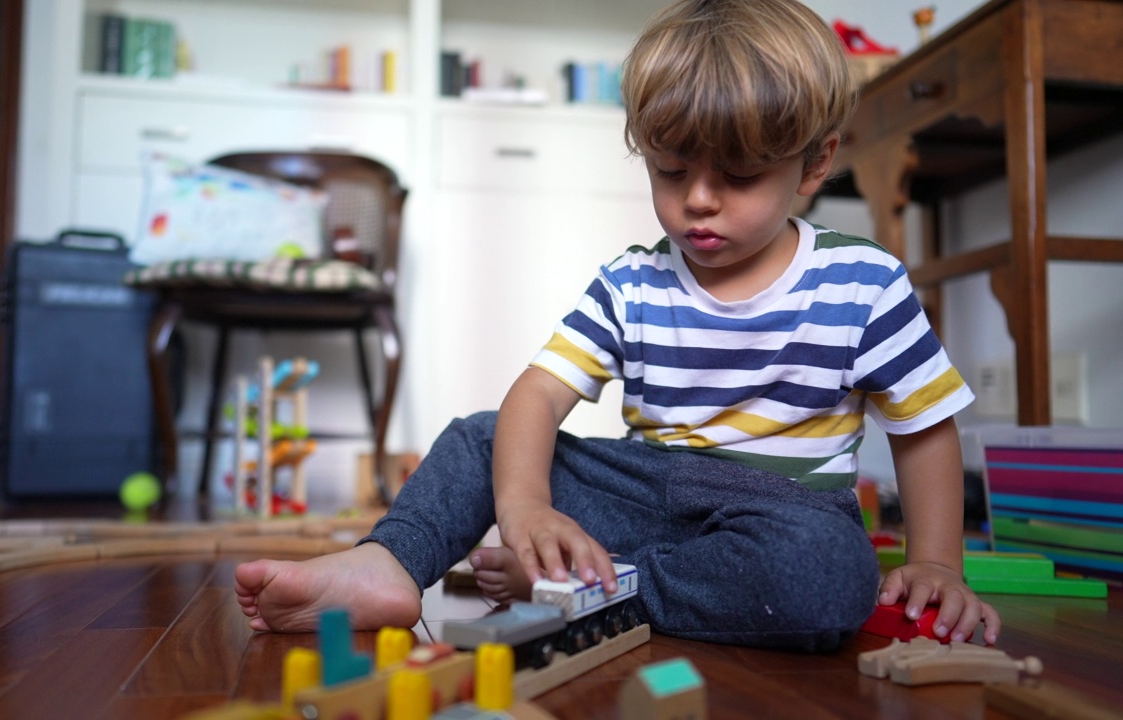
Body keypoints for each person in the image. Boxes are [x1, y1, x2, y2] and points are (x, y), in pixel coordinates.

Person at [235, 0, 1001, 651]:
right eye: (671, 171)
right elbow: (537, 395)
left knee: (831, 574)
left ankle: (604, 586)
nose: (698, 200)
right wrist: (525, 506)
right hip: (647, 488)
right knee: (484, 434)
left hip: (784, 513)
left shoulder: (864, 283)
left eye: (737, 177)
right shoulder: (631, 280)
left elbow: (924, 426)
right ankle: (389, 566)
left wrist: (937, 562)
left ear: (812, 164)